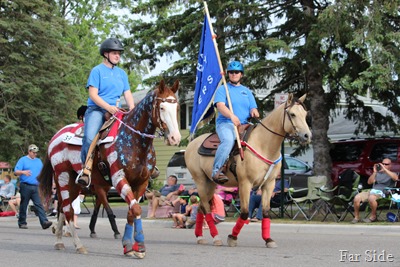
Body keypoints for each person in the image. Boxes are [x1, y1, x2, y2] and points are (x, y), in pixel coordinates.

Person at [77, 37, 135, 187]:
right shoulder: (97, 71)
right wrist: (108, 107)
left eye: (119, 53)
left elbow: (127, 94)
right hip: (97, 109)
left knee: (134, 132)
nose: (118, 56)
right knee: (90, 137)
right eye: (115, 53)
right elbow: (93, 95)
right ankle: (86, 169)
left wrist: (133, 109)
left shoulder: (122, 73)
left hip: (116, 110)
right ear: (106, 54)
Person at [211, 61, 259, 183]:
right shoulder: (223, 89)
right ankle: (217, 170)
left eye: (236, 72)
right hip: (226, 123)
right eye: (231, 72)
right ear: (228, 74)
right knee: (228, 140)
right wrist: (231, 116)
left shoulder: (247, 91)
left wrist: (254, 111)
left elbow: (253, 107)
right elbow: (220, 106)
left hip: (245, 124)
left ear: (241, 74)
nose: (234, 74)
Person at [14, 144, 52, 229]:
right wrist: (23, 172)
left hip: (36, 186)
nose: (35, 154)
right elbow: (16, 171)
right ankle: (22, 222)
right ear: (29, 151)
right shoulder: (23, 160)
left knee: (39, 204)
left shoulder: (38, 161)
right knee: (24, 204)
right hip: (25, 185)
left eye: (36, 153)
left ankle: (44, 222)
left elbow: (42, 172)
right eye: (33, 152)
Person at [352, 158, 398, 223]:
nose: (384, 165)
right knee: (357, 198)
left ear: (390, 165)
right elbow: (369, 182)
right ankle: (356, 217)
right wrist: (374, 172)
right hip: (372, 191)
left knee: (371, 198)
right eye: (383, 164)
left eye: (386, 164)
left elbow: (396, 178)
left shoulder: (393, 173)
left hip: (383, 192)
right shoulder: (378, 174)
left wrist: (385, 169)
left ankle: (373, 217)